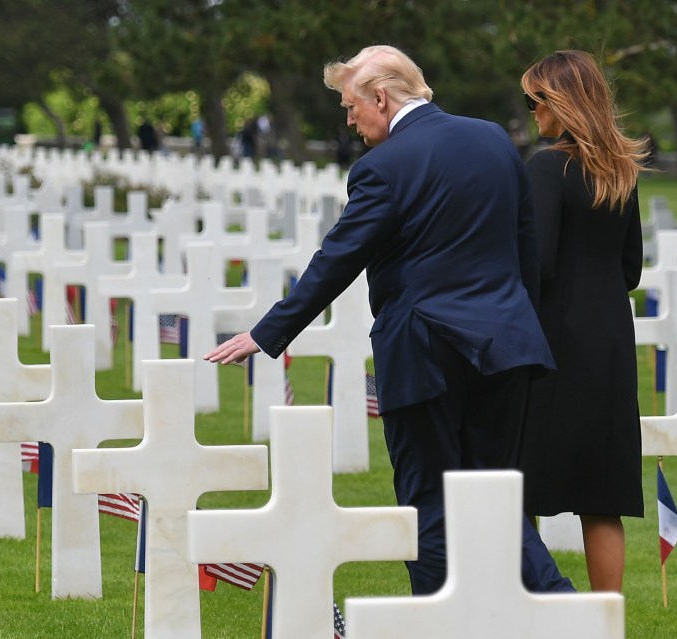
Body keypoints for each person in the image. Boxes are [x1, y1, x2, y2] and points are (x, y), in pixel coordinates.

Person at [205, 44, 574, 595]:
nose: (349, 119)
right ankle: (561, 615)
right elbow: (525, 249)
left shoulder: (381, 168)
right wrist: (517, 324)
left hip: (426, 354)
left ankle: (435, 622)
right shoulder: (494, 139)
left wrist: (266, 332)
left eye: (352, 105)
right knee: (496, 500)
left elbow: (338, 258)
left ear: (381, 96)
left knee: (427, 507)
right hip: (504, 347)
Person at [519, 50, 647, 592]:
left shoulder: (546, 167)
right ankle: (606, 623)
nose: (531, 112)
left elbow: (537, 263)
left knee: (522, 490)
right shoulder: (623, 169)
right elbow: (631, 267)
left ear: (560, 102)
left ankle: (521, 611)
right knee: (601, 498)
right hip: (612, 343)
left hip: (552, 344)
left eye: (536, 100)